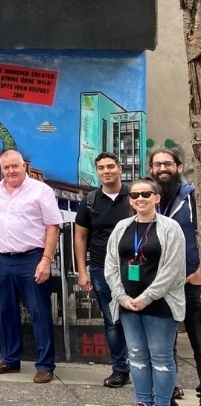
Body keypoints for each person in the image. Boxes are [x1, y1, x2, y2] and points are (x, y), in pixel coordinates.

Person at [105, 177, 185, 406]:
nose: (140, 198)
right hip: (128, 304)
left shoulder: (171, 228)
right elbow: (111, 266)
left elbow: (173, 269)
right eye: (135, 195)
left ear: (157, 198)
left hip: (160, 303)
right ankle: (142, 405)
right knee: (137, 356)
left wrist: (146, 297)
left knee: (161, 357)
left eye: (146, 194)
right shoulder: (122, 228)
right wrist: (122, 297)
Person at [0, 150, 63, 383]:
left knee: (39, 312)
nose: (10, 171)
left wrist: (46, 260)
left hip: (32, 258)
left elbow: (52, 226)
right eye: (6, 167)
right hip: (1, 258)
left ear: (24, 166)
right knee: (6, 311)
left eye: (14, 166)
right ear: (2, 169)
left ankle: (45, 365)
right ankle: (10, 359)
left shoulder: (41, 191)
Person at [148, 148, 200, 406]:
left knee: (198, 343)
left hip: (192, 281)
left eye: (167, 164)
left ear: (179, 167)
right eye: (157, 165)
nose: (162, 169)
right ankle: (167, 397)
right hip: (160, 285)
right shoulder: (150, 200)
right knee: (162, 345)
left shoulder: (192, 196)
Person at [74, 152, 132, 388]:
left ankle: (150, 370)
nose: (106, 171)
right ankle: (120, 369)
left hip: (135, 270)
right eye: (101, 168)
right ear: (97, 172)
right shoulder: (90, 201)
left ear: (119, 168)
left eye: (110, 166)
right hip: (101, 269)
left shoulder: (135, 195)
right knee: (112, 320)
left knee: (143, 320)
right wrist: (82, 270)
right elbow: (80, 237)